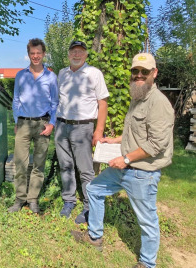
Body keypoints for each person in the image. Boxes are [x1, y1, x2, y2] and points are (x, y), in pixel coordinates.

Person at [71, 53, 174, 268]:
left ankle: (147, 263)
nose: (138, 75)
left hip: (142, 172)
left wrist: (125, 158)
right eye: (135, 71)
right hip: (124, 166)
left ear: (154, 73)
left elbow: (156, 145)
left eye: (144, 72)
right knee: (94, 189)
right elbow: (134, 133)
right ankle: (95, 236)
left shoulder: (159, 104)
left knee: (147, 220)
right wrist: (114, 140)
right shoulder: (138, 97)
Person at [54, 41, 109, 224]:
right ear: (68, 54)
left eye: (80, 52)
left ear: (86, 55)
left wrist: (98, 131)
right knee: (65, 166)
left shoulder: (94, 73)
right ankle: (69, 201)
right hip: (62, 125)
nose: (76, 55)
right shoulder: (62, 73)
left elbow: (103, 102)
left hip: (83, 127)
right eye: (73, 51)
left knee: (85, 170)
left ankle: (88, 206)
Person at [8, 38, 59, 214]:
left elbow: (55, 103)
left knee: (38, 164)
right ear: (28, 54)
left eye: (38, 53)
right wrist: (16, 121)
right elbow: (15, 99)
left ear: (44, 54)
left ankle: (33, 199)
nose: (35, 56)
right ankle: (19, 199)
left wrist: (51, 124)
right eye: (32, 53)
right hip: (23, 123)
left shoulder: (51, 77)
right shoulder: (21, 75)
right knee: (20, 163)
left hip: (42, 124)